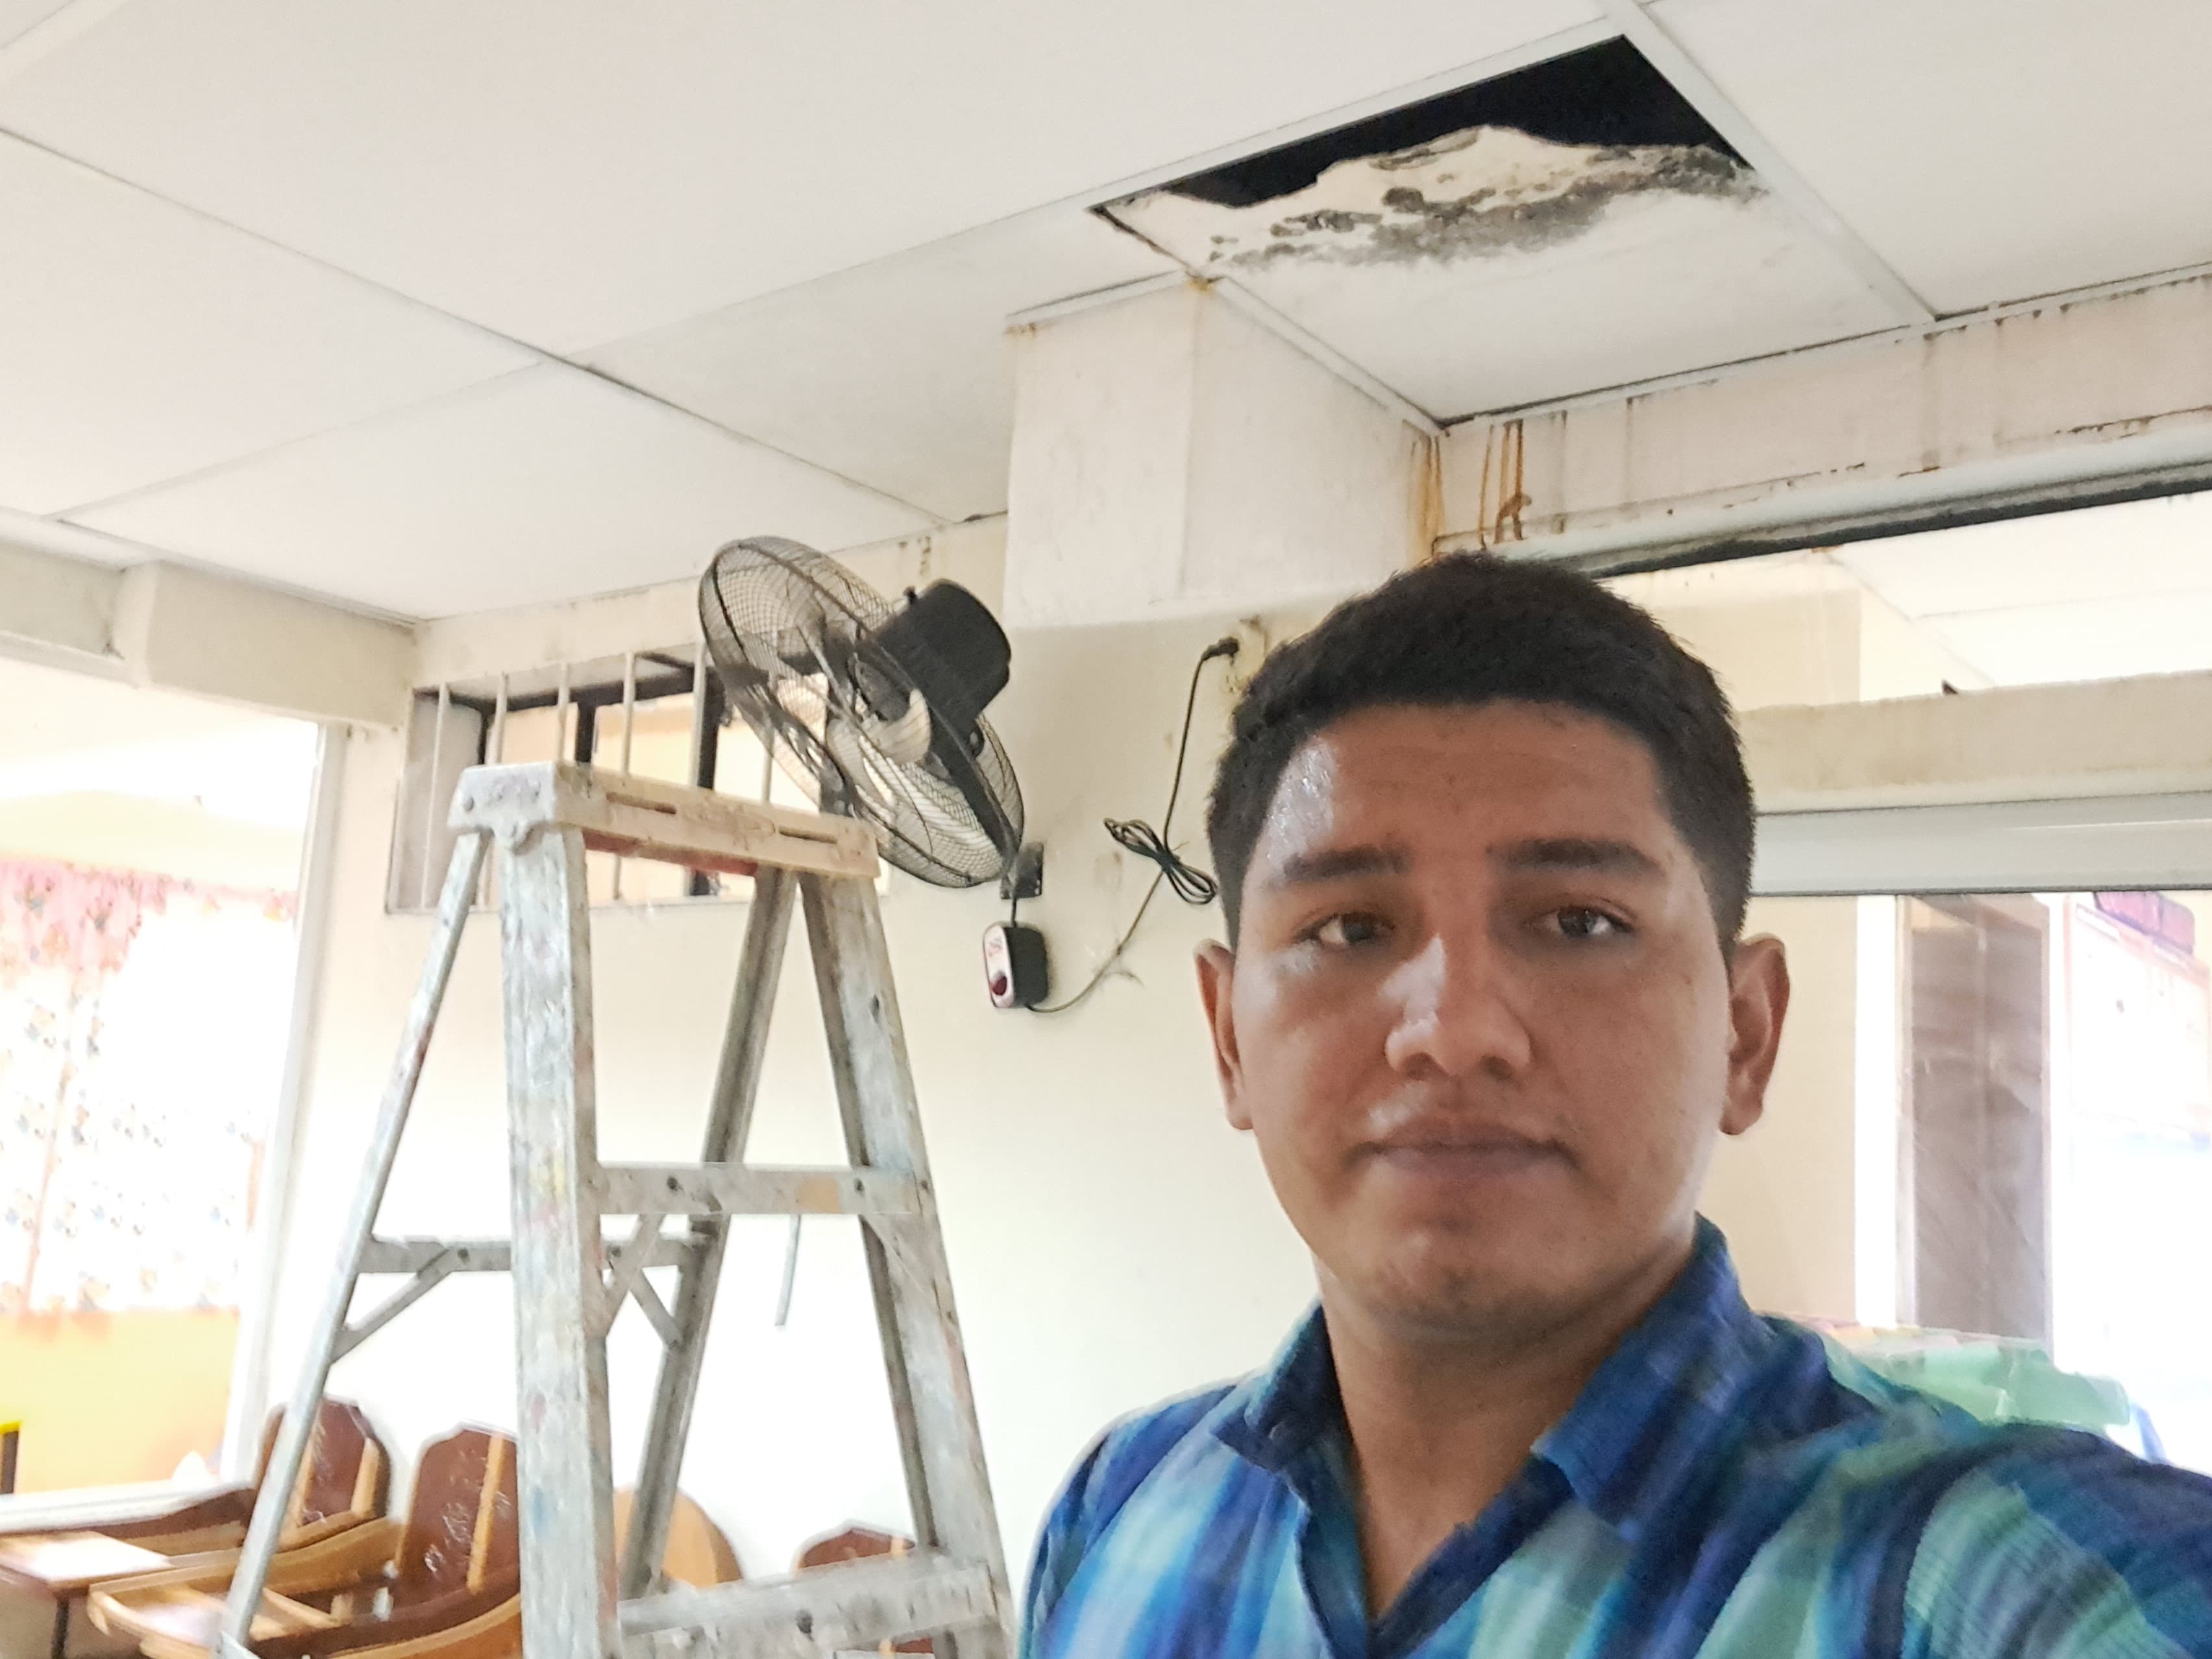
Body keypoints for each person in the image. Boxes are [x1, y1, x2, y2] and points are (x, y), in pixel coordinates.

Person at [1020, 554, 2212, 1658]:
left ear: (1746, 1033)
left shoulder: (1968, 1577)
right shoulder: (1118, 1508)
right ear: (1229, 1036)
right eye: (1347, 929)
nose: (1452, 1029)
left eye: (1579, 921)